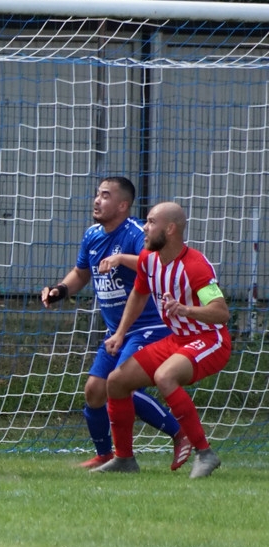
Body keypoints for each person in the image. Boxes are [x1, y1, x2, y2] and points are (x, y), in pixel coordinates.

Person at [41, 177, 189, 470]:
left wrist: (121, 258)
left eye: (105, 195)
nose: (97, 200)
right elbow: (81, 273)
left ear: (123, 205)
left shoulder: (136, 232)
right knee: (94, 390)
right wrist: (60, 290)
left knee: (120, 385)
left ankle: (180, 433)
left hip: (149, 328)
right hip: (116, 331)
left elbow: (156, 263)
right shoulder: (93, 235)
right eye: (97, 194)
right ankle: (106, 455)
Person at [93, 202, 231, 478]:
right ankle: (124, 459)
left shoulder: (195, 266)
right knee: (116, 381)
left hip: (210, 340)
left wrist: (186, 310)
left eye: (151, 222)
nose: (145, 227)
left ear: (170, 229)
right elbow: (138, 294)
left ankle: (205, 453)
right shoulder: (149, 259)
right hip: (178, 339)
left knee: (164, 376)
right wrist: (120, 333)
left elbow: (221, 313)